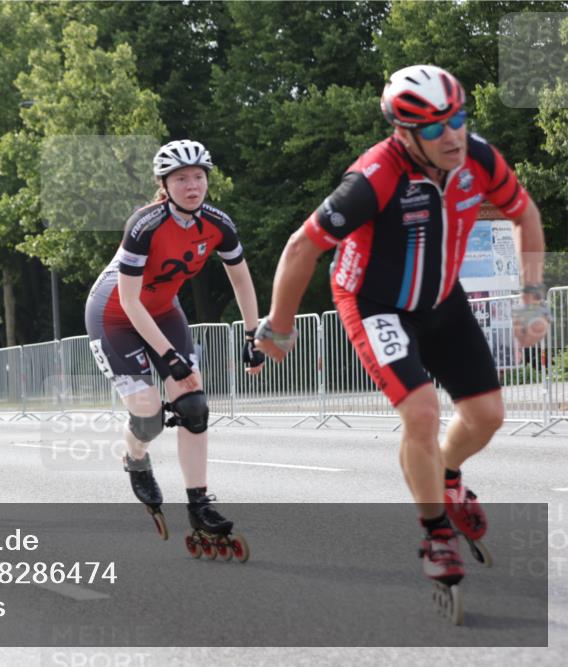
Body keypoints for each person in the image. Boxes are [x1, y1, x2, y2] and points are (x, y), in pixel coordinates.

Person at [255, 65, 549, 603]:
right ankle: (436, 533)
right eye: (435, 128)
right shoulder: (375, 177)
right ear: (404, 134)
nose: (453, 135)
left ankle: (449, 477)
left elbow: (524, 213)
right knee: (420, 412)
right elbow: (301, 247)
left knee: (488, 417)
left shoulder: (478, 158)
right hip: (375, 304)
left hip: (441, 299)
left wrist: (532, 297)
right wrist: (278, 326)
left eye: (457, 117)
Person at [84, 139, 263, 559]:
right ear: (164, 185)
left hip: (163, 312)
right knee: (148, 415)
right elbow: (129, 301)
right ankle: (134, 457)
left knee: (194, 404)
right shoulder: (144, 225)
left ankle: (199, 504)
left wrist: (253, 335)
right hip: (115, 316)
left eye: (199, 176)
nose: (192, 185)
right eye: (181, 178)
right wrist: (167, 355)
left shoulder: (218, 223)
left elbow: (241, 279)